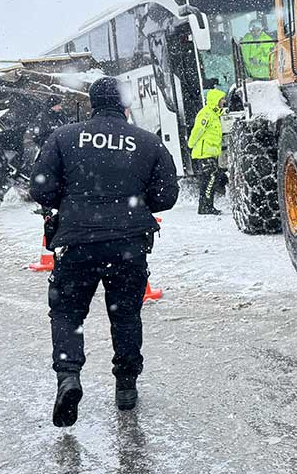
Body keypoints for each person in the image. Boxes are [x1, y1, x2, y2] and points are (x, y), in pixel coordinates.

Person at [30, 77, 178, 427]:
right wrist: (135, 203)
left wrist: (68, 202)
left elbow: (41, 188)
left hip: (76, 242)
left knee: (67, 314)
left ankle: (68, 376)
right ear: (124, 104)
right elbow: (167, 196)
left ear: (91, 104)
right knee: (125, 316)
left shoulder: (63, 137)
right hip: (127, 245)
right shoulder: (146, 141)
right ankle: (126, 385)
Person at [186, 88, 227, 215]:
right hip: (205, 153)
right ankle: (206, 207)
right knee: (209, 180)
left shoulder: (215, 114)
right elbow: (197, 130)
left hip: (211, 153)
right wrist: (191, 144)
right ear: (215, 100)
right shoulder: (206, 114)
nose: (224, 102)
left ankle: (206, 206)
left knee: (209, 180)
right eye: (221, 100)